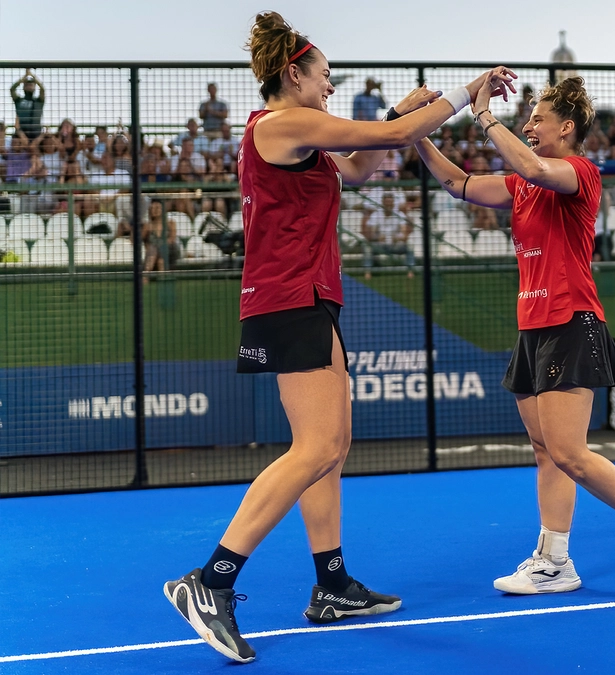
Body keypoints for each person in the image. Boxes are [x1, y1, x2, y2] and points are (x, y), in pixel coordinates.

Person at [162, 12, 514, 664]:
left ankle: (331, 585)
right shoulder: (283, 123)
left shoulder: (305, 139)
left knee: (331, 445)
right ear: (292, 73)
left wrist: (412, 104)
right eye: (324, 77)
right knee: (317, 443)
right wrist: (467, 93)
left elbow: (361, 164)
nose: (329, 88)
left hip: (310, 299)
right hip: (288, 300)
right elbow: (398, 134)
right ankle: (208, 581)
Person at [414, 75, 615, 598]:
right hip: (533, 328)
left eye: (538, 119)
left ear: (568, 127)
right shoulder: (520, 187)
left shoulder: (579, 172)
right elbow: (457, 184)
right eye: (527, 118)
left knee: (570, 452)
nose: (529, 125)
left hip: (572, 320)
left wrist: (483, 112)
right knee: (545, 451)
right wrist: (412, 134)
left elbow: (534, 165)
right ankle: (555, 561)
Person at [10, 69, 45, 139]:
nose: (29, 87)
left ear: (34, 87)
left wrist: (32, 75)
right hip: (21, 132)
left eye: (31, 85)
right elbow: (12, 89)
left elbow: (42, 89)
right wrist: (24, 77)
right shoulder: (19, 100)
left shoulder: (39, 101)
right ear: (23, 87)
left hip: (36, 132)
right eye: (27, 85)